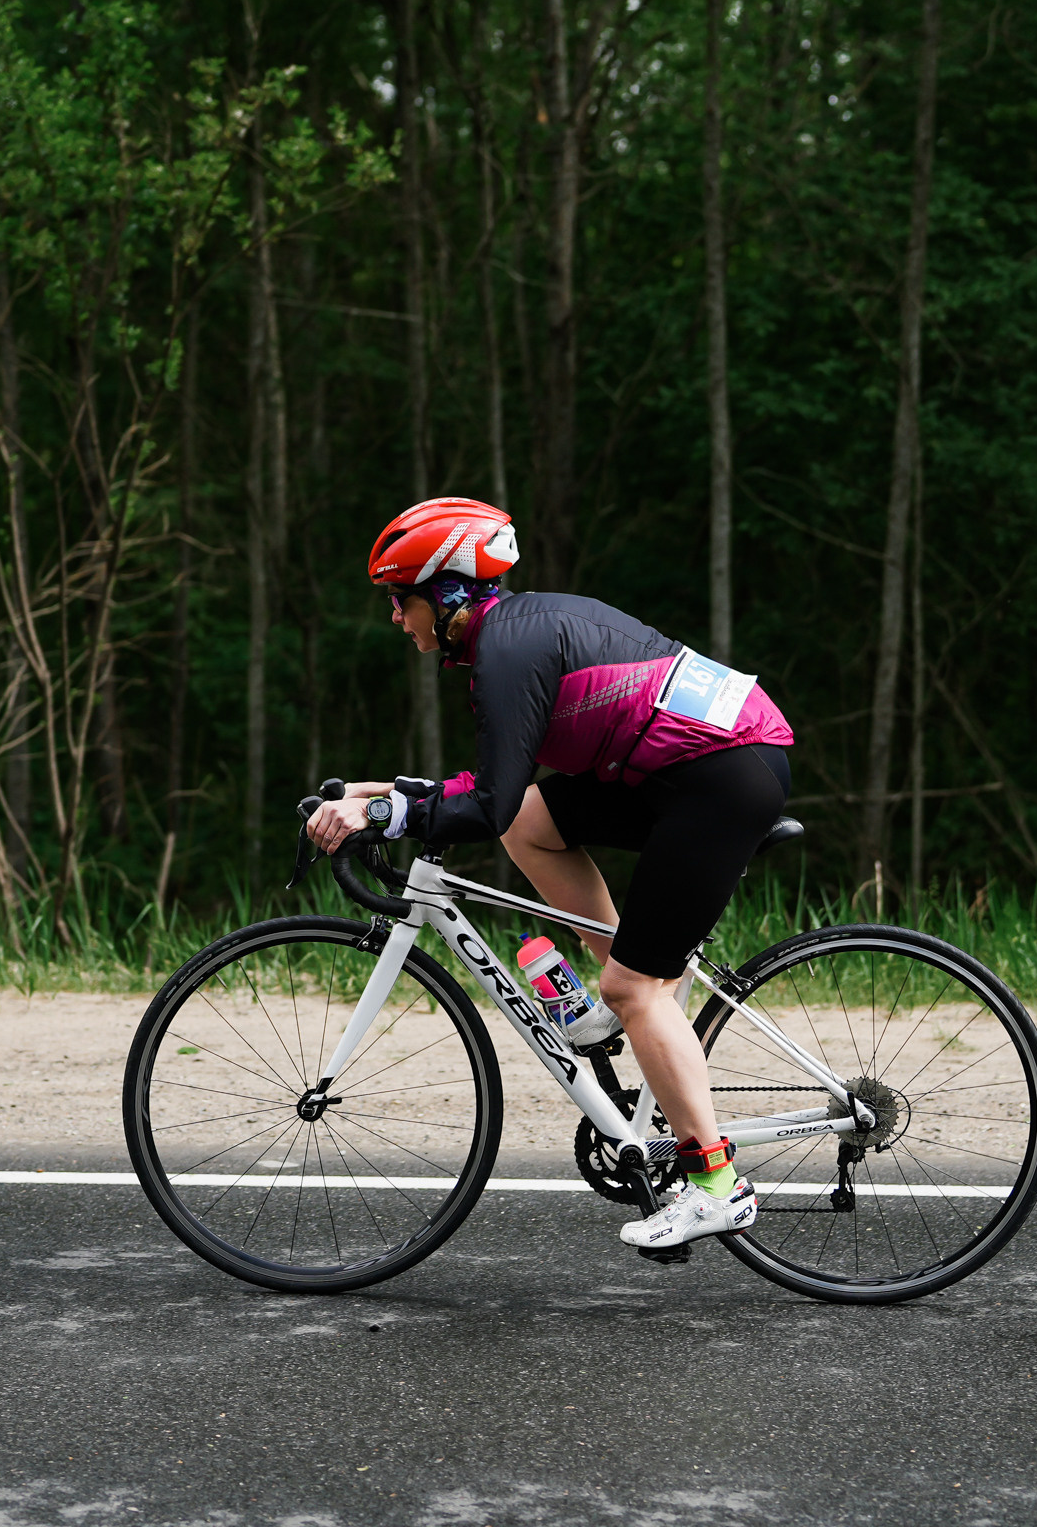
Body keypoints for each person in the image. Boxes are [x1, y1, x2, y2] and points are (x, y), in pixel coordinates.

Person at [305, 497, 795, 1250]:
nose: (396, 618)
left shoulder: (507, 652)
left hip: (721, 777)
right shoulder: (512, 635)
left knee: (635, 985)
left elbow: (484, 803)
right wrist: (379, 794)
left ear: (445, 593)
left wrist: (382, 815)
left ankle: (716, 1185)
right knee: (534, 823)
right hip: (691, 769)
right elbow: (498, 796)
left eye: (401, 600)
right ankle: (620, 1001)